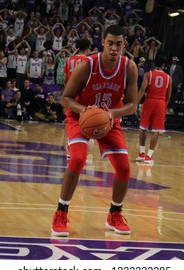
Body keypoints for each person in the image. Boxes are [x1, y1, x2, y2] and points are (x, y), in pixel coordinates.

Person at [51, 25, 138, 237]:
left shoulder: (129, 68)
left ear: (124, 45)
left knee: (124, 168)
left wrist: (111, 114)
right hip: (81, 117)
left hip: (108, 119)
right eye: (110, 43)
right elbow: (65, 98)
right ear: (103, 43)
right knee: (78, 159)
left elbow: (132, 105)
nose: (114, 48)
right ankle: (61, 212)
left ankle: (115, 214)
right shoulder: (87, 65)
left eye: (119, 44)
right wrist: (86, 111)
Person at [136, 55, 172, 165]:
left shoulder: (148, 74)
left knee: (143, 127)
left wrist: (136, 102)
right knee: (156, 130)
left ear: (155, 63)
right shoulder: (169, 78)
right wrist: (164, 106)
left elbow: (142, 89)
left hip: (149, 101)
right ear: (164, 65)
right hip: (161, 102)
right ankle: (149, 156)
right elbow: (168, 95)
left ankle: (142, 153)